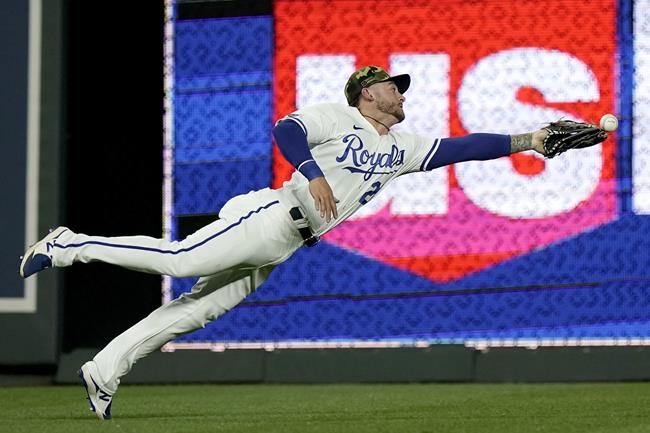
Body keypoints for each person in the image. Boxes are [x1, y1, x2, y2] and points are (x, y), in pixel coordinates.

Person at [20, 65, 551, 420]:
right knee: (180, 261)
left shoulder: (404, 146)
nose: (401, 91)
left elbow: (464, 148)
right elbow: (287, 129)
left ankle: (104, 370)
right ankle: (68, 243)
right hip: (269, 216)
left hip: (287, 244)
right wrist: (311, 170)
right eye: (393, 85)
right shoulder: (340, 115)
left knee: (196, 311)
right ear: (368, 91)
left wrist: (530, 140)